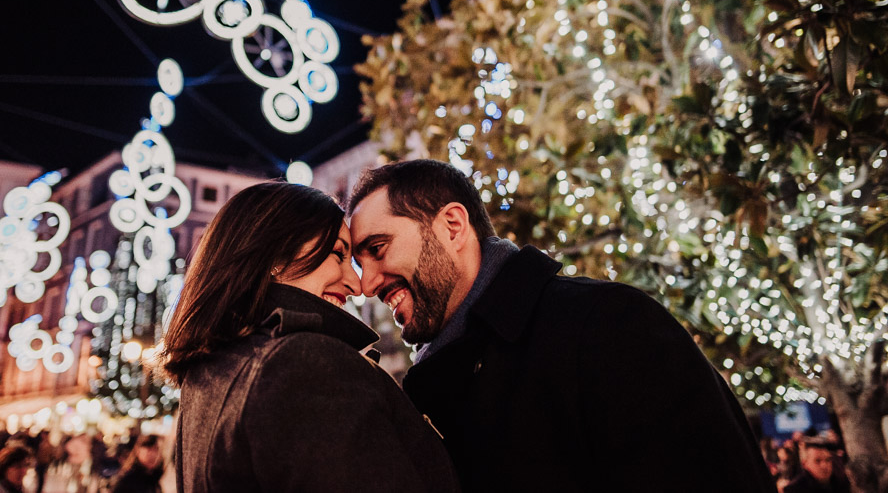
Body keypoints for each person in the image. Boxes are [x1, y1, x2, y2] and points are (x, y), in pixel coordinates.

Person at [347, 159, 777, 492]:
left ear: (453, 227)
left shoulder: (607, 326)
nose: (366, 284)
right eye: (357, 263)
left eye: (378, 249)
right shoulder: (430, 392)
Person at [161, 181, 459, 492]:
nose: (356, 285)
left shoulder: (211, 371)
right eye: (336, 254)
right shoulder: (305, 364)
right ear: (275, 256)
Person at [784, 439, 851, 493]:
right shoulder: (794, 489)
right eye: (817, 461)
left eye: (828, 460)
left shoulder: (841, 483)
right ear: (805, 464)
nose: (824, 465)